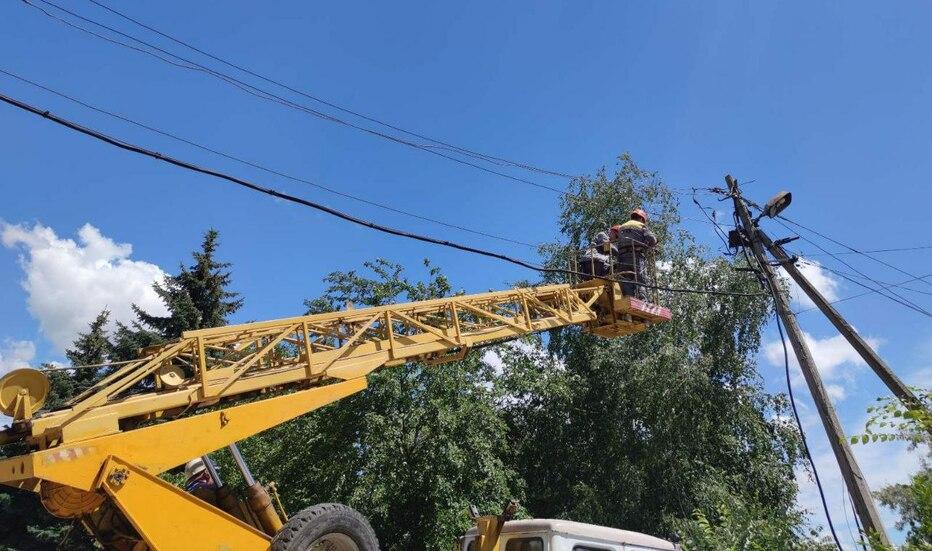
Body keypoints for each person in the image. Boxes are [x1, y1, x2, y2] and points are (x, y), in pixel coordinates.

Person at [609, 208, 657, 299]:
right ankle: (643, 300)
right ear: (642, 219)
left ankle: (628, 298)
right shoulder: (641, 225)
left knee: (625, 278)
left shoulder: (622, 227)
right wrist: (653, 244)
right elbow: (652, 239)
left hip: (622, 257)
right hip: (636, 256)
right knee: (640, 278)